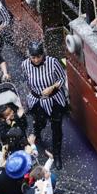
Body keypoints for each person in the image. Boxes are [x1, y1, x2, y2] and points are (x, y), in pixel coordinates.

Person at [22, 41, 69, 169]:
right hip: (37, 100)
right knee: (39, 122)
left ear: (43, 54)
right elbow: (26, 80)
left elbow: (62, 78)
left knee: (56, 128)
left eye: (38, 56)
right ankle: (37, 134)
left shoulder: (52, 62)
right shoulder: (25, 64)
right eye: (33, 57)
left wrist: (52, 87)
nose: (36, 60)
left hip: (54, 99)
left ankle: (57, 154)